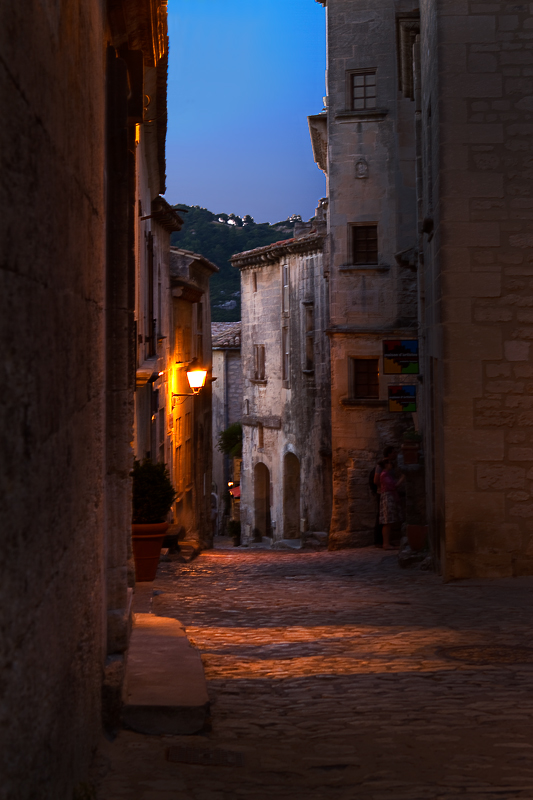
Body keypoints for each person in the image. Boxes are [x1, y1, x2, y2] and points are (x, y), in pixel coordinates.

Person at [371, 446, 397, 546]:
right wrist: (385, 487)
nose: (395, 455)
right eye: (394, 452)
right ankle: (378, 541)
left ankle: (384, 541)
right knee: (382, 517)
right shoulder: (381, 465)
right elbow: (376, 480)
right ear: (389, 454)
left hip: (387, 492)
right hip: (382, 493)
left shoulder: (391, 464)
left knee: (385, 518)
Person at [379, 459, 405, 550]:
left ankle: (387, 542)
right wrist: (402, 478)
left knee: (389, 521)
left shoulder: (386, 474)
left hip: (389, 497)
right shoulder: (384, 475)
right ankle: (385, 544)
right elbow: (394, 486)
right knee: (387, 521)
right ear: (386, 465)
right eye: (390, 463)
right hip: (388, 497)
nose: (392, 465)